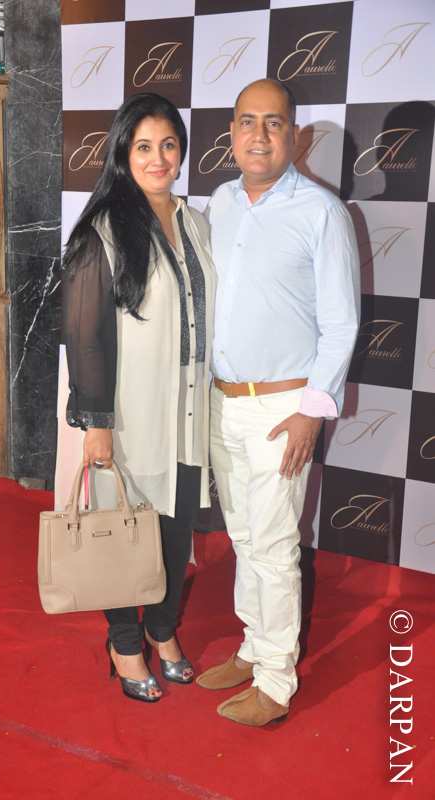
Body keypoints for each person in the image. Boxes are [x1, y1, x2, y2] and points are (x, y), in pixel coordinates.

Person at [196, 79, 360, 726]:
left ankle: (275, 681)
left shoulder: (322, 212)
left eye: (273, 122)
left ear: (294, 135)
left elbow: (341, 324)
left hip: (282, 410)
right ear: (232, 132)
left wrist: (310, 412)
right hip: (222, 403)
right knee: (244, 537)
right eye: (247, 121)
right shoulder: (219, 202)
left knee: (272, 545)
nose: (258, 135)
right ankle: (252, 647)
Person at [61, 93, 216, 703]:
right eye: (144, 146)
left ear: (182, 151)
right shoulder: (102, 230)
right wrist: (96, 422)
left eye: (168, 145)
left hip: (189, 411)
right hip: (130, 417)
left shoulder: (196, 222)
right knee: (125, 534)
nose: (158, 158)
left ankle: (163, 628)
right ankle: (125, 643)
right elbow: (85, 337)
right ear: (123, 153)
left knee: (176, 533)